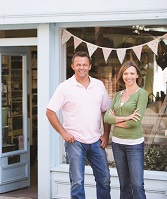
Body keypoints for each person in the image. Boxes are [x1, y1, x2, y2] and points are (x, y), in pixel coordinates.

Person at [46, 51, 111, 199]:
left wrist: (106, 135)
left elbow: (106, 112)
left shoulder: (98, 85)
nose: (81, 67)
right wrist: (63, 133)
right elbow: (50, 112)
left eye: (84, 64)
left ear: (89, 66)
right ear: (72, 66)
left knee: (104, 179)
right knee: (77, 182)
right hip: (75, 142)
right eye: (78, 65)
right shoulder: (65, 87)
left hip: (96, 141)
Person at [104, 60, 148, 199]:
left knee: (137, 185)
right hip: (117, 144)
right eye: (126, 73)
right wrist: (127, 117)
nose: (128, 76)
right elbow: (106, 118)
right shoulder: (118, 95)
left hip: (134, 144)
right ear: (122, 75)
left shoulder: (142, 94)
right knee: (124, 185)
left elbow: (134, 123)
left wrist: (116, 121)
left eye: (132, 73)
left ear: (137, 75)